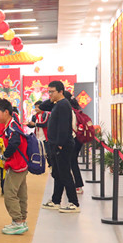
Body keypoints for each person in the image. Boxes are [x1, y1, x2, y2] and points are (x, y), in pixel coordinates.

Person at [40, 81, 80, 213]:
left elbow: (63, 127)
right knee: (57, 174)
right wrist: (52, 98)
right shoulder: (58, 104)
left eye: (52, 92)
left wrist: (60, 144)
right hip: (56, 144)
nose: (49, 94)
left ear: (61, 92)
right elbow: (43, 106)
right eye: (49, 92)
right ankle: (56, 200)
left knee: (64, 174)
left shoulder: (63, 105)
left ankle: (74, 202)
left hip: (62, 145)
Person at [0, 99, 29, 235]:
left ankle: (17, 221)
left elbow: (15, 142)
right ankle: (22, 220)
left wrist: (5, 156)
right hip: (21, 163)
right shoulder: (12, 124)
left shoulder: (12, 126)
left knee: (9, 193)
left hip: (16, 164)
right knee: (21, 193)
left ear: (6, 112)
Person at [64, 91, 85, 194]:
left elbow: (70, 127)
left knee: (72, 162)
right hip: (78, 139)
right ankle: (75, 184)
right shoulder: (75, 109)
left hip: (73, 139)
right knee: (72, 162)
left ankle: (78, 185)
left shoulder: (69, 110)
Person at [27, 101, 50, 166]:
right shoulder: (34, 116)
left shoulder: (46, 114)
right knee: (39, 153)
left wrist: (35, 124)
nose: (36, 109)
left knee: (48, 154)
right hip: (38, 137)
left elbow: (45, 123)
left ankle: (50, 165)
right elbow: (33, 125)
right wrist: (28, 124)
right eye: (35, 107)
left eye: (38, 107)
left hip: (45, 138)